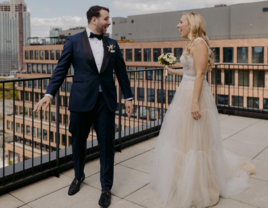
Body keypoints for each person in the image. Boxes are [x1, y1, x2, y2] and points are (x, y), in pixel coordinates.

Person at [150, 12, 256, 208]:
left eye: (181, 22)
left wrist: (195, 102)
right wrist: (173, 70)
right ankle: (184, 182)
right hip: (186, 92)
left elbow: (200, 75)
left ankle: (200, 187)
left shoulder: (199, 43)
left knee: (196, 143)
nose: (177, 25)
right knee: (184, 140)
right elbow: (190, 72)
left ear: (191, 24)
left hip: (194, 95)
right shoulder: (191, 44)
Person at [33, 5, 133, 207]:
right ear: (94, 20)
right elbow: (61, 69)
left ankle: (106, 188)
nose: (109, 22)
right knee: (78, 142)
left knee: (107, 146)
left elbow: (121, 72)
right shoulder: (72, 41)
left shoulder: (112, 43)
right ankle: (78, 177)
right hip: (80, 101)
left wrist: (128, 97)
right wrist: (49, 94)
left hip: (105, 101)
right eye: (106, 18)